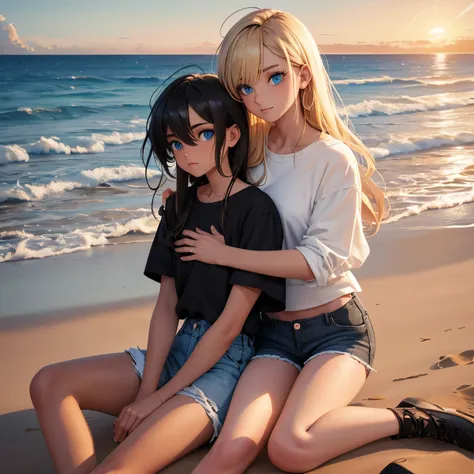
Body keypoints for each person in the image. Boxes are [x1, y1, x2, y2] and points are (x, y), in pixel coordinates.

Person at [161, 10, 474, 474]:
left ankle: (410, 419)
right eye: (245, 87)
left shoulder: (333, 159)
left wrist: (225, 254)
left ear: (303, 74)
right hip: (271, 335)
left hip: (336, 330)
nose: (259, 98)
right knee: (233, 447)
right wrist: (185, 194)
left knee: (290, 448)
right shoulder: (248, 150)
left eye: (273, 77)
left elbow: (320, 261)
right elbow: (220, 191)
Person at [29, 73, 286, 474]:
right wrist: (147, 389)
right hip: (174, 353)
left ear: (232, 135)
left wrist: (157, 399)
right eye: (177, 143)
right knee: (48, 382)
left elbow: (230, 327)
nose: (186, 153)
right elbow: (167, 305)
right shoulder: (178, 207)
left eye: (201, 134)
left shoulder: (257, 211)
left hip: (223, 366)